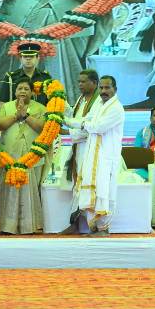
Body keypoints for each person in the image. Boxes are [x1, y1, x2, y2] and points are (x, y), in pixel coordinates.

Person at [63, 75, 125, 236]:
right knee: (93, 191)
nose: (103, 91)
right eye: (101, 88)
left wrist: (81, 124)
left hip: (106, 158)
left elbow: (98, 127)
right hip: (93, 157)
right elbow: (86, 120)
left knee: (105, 192)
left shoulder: (116, 108)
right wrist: (65, 120)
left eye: (107, 87)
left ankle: (104, 228)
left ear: (115, 89)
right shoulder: (99, 104)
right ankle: (94, 228)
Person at [0, 78, 46, 234]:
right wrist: (16, 116)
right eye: (20, 88)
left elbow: (42, 128)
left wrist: (26, 116)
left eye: (26, 89)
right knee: (7, 188)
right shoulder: (6, 106)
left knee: (30, 189)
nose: (23, 91)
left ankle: (29, 226)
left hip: (31, 155)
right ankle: (7, 227)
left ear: (32, 92)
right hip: (8, 155)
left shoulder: (40, 108)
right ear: (15, 91)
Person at [63, 69, 100, 184]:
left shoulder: (99, 101)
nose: (80, 84)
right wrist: (61, 101)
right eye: (79, 82)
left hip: (90, 147)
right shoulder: (82, 98)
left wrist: (65, 131)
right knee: (78, 182)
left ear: (94, 83)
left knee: (87, 182)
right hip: (78, 146)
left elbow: (88, 128)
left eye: (83, 82)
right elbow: (73, 117)